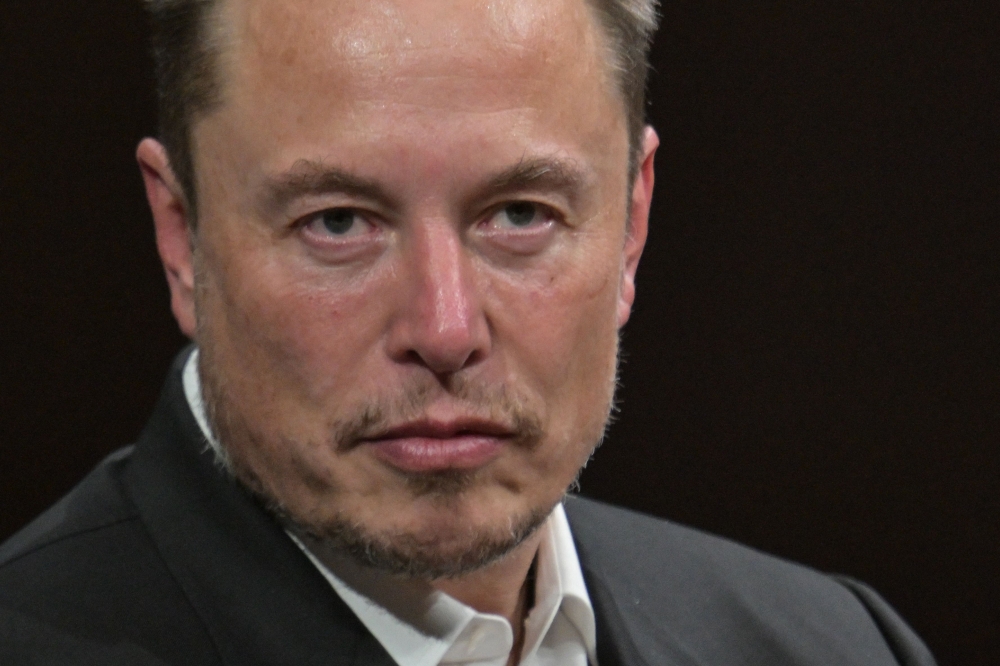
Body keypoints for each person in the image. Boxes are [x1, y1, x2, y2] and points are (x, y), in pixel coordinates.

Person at [0, 0, 936, 664]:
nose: (444, 329)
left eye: (520, 214)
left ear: (632, 227)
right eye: (338, 221)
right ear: (181, 239)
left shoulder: (835, 645)